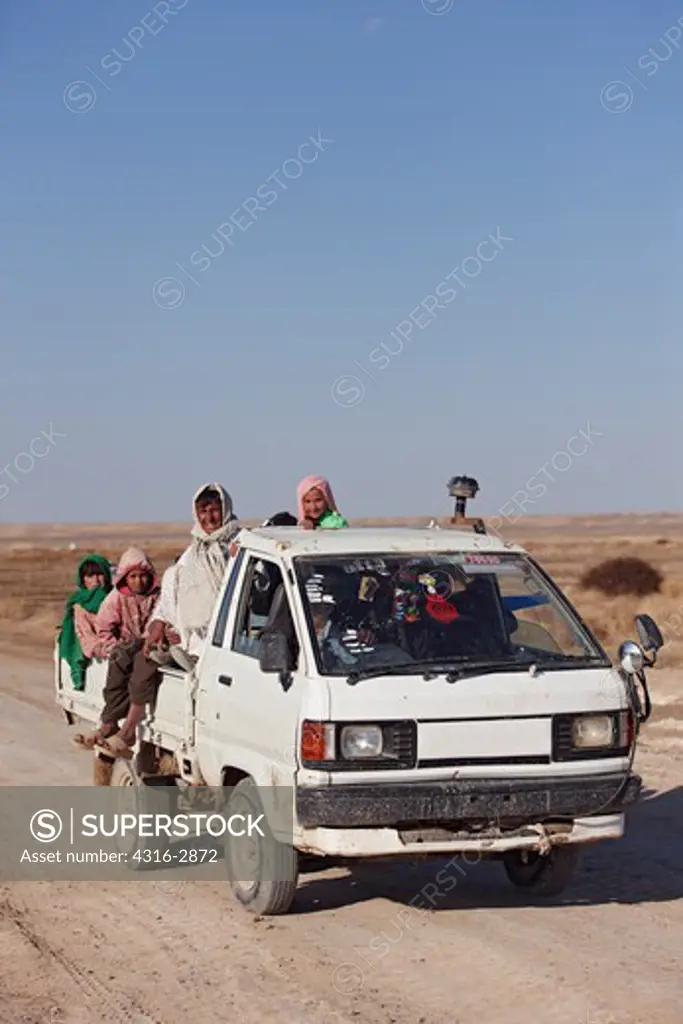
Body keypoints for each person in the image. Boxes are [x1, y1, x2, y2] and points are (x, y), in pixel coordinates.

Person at [98, 484, 240, 758]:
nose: (209, 517)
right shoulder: (193, 552)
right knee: (144, 654)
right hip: (188, 640)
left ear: (226, 510)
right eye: (203, 511)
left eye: (214, 510)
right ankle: (124, 728)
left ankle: (125, 729)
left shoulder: (240, 545)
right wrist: (160, 624)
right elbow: (170, 598)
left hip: (222, 646)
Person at [73, 547, 159, 750]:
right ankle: (109, 722)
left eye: (143, 576)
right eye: (133, 576)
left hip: (151, 643)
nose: (139, 581)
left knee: (143, 665)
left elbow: (161, 619)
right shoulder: (115, 598)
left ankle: (127, 729)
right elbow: (103, 628)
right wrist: (114, 646)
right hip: (127, 645)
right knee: (118, 663)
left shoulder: (158, 596)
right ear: (124, 578)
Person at [58, 554, 113, 691]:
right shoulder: (79, 604)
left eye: (100, 574)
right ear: (83, 580)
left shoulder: (116, 597)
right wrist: (101, 648)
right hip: (99, 649)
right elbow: (86, 634)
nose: (96, 580)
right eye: (90, 576)